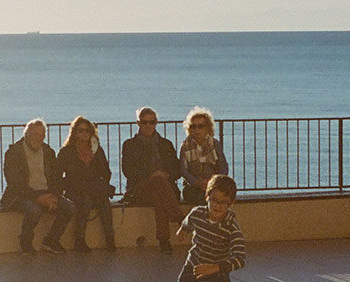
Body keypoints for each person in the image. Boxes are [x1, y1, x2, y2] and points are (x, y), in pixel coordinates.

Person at [0, 118, 74, 254]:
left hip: (46, 193)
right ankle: (25, 241)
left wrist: (54, 196)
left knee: (69, 207)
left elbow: (56, 178)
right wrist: (38, 197)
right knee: (34, 210)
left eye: (42, 135)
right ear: (26, 134)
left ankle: (51, 240)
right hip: (21, 195)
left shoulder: (48, 152)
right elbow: (15, 183)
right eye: (35, 134)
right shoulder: (13, 153)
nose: (39, 138)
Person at [122, 107, 183, 253]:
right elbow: (128, 171)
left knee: (158, 194)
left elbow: (177, 170)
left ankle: (164, 241)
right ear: (138, 123)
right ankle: (179, 218)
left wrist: (165, 175)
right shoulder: (130, 145)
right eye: (145, 122)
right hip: (140, 189)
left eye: (152, 122)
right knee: (158, 182)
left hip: (163, 189)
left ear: (156, 123)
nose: (148, 126)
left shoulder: (165, 144)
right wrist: (152, 176)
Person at [59, 115, 116, 251]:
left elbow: (106, 172)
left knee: (104, 202)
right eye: (80, 130)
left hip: (94, 188)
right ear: (75, 132)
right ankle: (80, 239)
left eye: (87, 131)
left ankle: (110, 238)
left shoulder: (97, 150)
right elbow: (58, 174)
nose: (84, 133)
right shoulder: (67, 152)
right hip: (75, 190)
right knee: (85, 202)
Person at [178, 108, 230, 204]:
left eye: (201, 126)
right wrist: (197, 182)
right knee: (202, 196)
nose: (197, 130)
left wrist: (213, 182)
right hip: (192, 187)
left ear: (207, 127)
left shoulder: (214, 144)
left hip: (214, 185)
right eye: (194, 126)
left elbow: (223, 166)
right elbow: (183, 170)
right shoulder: (185, 146)